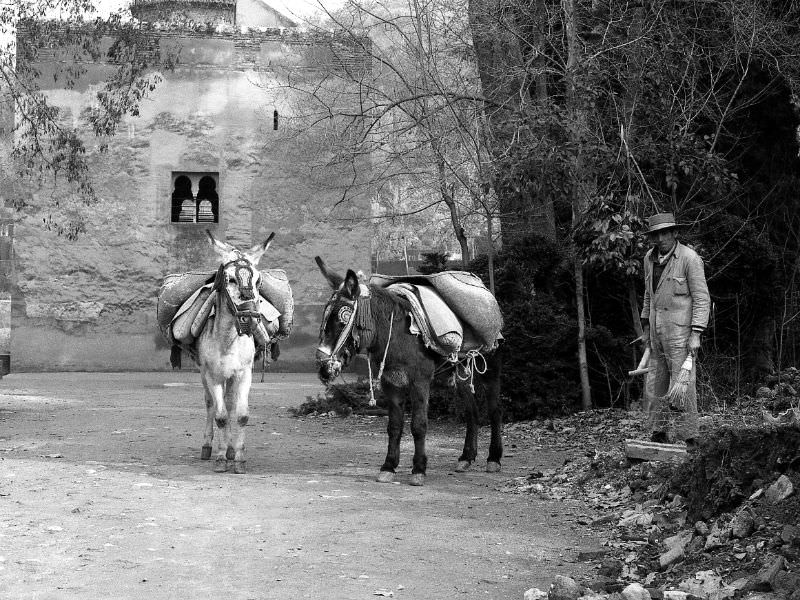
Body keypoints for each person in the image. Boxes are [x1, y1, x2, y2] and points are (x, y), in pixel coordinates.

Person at [640, 212, 710, 449]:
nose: (660, 239)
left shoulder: (690, 259)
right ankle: (659, 432)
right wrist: (646, 327)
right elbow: (648, 295)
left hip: (681, 334)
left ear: (674, 233)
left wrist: (696, 333)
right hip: (656, 333)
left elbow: (702, 298)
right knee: (656, 384)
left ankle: (689, 436)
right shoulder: (649, 259)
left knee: (683, 385)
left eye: (664, 233)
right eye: (656, 234)